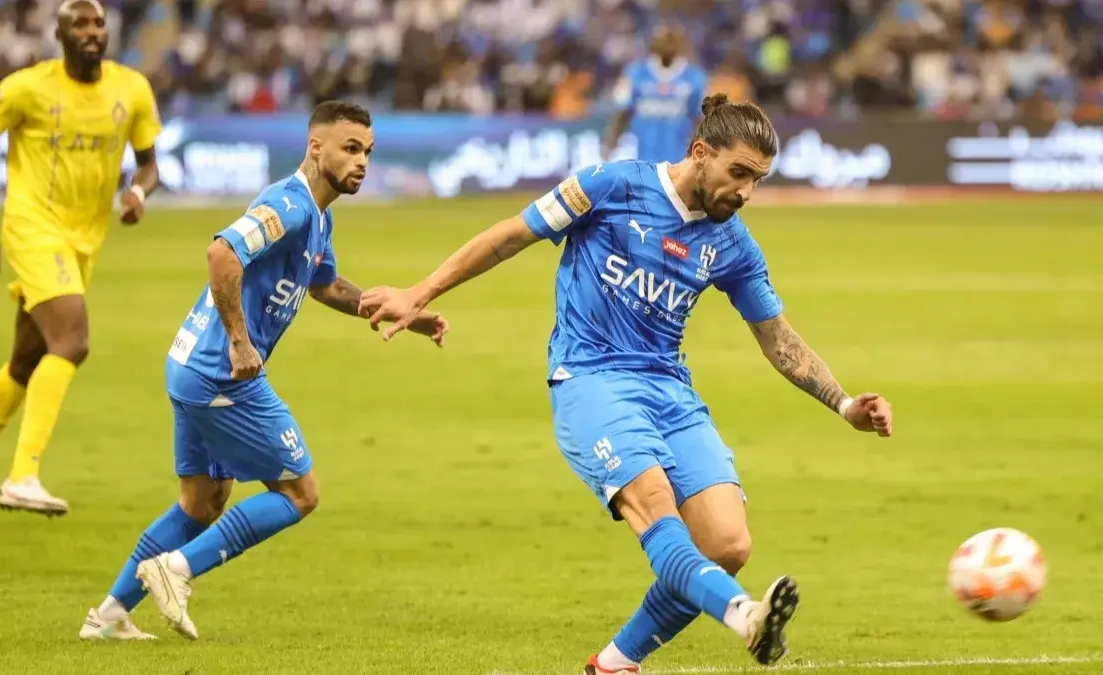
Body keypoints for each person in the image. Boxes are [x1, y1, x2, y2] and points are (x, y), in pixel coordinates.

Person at [357, 94, 894, 672]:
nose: (746, 192)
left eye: (757, 180)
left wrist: (843, 403)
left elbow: (777, 338)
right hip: (591, 379)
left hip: (669, 390)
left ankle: (613, 663)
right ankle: (743, 615)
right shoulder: (610, 186)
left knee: (727, 545)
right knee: (657, 508)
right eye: (739, 173)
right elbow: (510, 236)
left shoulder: (733, 243)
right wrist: (419, 294)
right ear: (700, 152)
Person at [77, 101, 449, 641]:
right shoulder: (289, 206)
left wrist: (401, 312)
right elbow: (221, 255)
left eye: (368, 152)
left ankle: (109, 615)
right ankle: (176, 569)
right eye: (351, 149)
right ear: (315, 147)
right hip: (221, 373)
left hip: (189, 366)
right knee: (301, 493)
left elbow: (325, 284)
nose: (362, 162)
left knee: (202, 501)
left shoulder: (318, 216)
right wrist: (239, 341)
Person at [0, 0, 162, 519]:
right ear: (60, 35)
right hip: (33, 228)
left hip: (85, 239)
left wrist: (137, 194)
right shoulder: (28, 88)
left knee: (27, 361)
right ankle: (22, 476)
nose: (92, 31)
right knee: (72, 340)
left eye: (98, 23)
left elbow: (149, 165)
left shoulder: (132, 89)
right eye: (79, 23)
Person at [603, 22, 708, 164]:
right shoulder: (636, 73)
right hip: (643, 161)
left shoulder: (694, 77)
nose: (667, 44)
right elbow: (622, 114)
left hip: (678, 162)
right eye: (663, 39)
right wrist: (610, 144)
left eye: (671, 39)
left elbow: (701, 120)